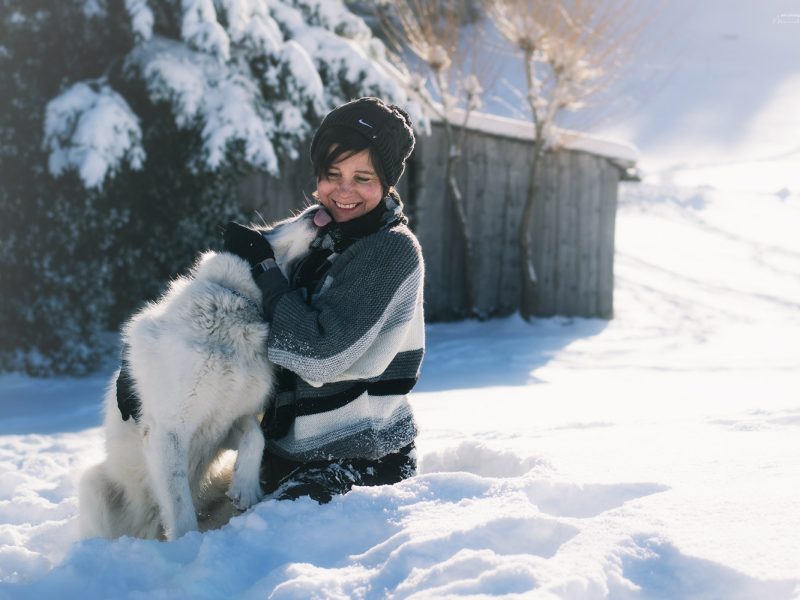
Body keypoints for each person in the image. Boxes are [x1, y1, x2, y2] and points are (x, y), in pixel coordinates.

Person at [222, 97, 425, 504]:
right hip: (284, 455)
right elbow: (231, 302)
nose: (344, 191)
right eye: (333, 174)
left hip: (361, 458)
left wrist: (267, 273)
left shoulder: (391, 250)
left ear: (387, 183)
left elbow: (320, 355)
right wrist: (142, 370)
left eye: (363, 177)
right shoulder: (317, 230)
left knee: (264, 547)